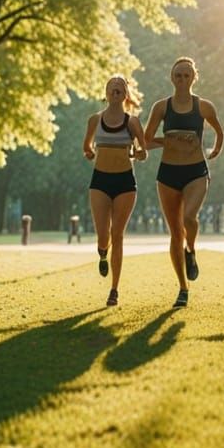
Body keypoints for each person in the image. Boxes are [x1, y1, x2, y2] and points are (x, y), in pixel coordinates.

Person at [144, 57, 224, 308]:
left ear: (193, 78)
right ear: (172, 77)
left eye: (186, 75)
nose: (182, 79)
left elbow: (219, 131)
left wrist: (215, 150)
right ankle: (182, 288)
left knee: (189, 218)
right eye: (178, 75)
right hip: (168, 174)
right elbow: (146, 140)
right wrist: (168, 141)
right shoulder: (161, 107)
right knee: (175, 233)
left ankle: (191, 250)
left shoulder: (203, 106)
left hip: (196, 171)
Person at [82, 75, 147, 307]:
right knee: (103, 236)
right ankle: (102, 253)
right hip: (100, 181)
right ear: (106, 93)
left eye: (120, 88)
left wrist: (138, 153)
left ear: (125, 95)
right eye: (112, 88)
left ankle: (114, 290)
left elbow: (143, 151)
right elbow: (86, 146)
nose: (116, 91)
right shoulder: (95, 120)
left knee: (117, 235)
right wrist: (90, 153)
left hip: (125, 183)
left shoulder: (132, 122)